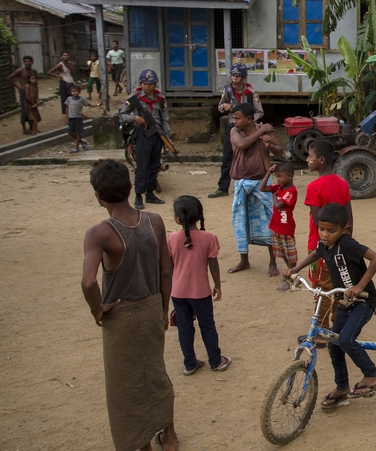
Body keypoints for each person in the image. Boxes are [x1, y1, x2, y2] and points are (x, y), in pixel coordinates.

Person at [80, 159, 177, 451]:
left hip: (120, 315)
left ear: (98, 196)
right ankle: (169, 436)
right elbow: (166, 270)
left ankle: (141, 444)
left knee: (124, 387)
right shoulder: (154, 221)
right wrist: (162, 308)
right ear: (130, 186)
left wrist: (98, 309)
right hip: (150, 307)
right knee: (156, 373)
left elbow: (88, 282)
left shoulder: (100, 233)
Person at [283, 203, 376, 406]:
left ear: (343, 230)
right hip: (345, 302)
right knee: (334, 344)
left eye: (331, 230)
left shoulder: (347, 244)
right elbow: (315, 254)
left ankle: (372, 374)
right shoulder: (324, 244)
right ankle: (342, 386)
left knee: (346, 340)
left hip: (363, 301)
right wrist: (295, 268)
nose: (325, 235)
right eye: (321, 229)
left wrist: (360, 285)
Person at [167, 195, 231, 376]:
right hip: (200, 291)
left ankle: (190, 363)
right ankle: (216, 360)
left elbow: (168, 266)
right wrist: (218, 285)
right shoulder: (209, 238)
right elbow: (214, 264)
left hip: (178, 291)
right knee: (207, 326)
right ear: (199, 215)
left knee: (184, 327)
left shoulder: (171, 238)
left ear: (177, 218)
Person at [304, 139, 354, 339]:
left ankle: (321, 330)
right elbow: (349, 216)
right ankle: (336, 323)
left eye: (310, 156)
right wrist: (346, 239)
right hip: (341, 244)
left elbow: (319, 221)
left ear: (321, 160)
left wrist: (327, 240)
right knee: (338, 285)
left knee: (322, 289)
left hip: (320, 246)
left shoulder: (314, 187)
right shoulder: (342, 183)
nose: (307, 160)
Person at [226, 102, 283, 274]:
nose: (234, 121)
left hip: (262, 183)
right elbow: (242, 144)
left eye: (237, 118)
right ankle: (244, 260)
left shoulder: (266, 130)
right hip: (241, 183)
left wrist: (270, 145)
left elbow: (280, 150)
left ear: (249, 118)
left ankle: (273, 262)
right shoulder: (235, 131)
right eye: (233, 118)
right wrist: (261, 132)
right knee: (240, 222)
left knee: (270, 221)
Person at [209, 63, 264, 198]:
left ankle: (245, 186)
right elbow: (219, 108)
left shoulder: (251, 93)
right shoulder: (227, 91)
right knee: (227, 157)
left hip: (248, 130)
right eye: (233, 75)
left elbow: (259, 112)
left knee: (248, 158)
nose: (234, 78)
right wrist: (225, 106)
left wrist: (249, 121)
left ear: (244, 77)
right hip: (232, 127)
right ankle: (223, 187)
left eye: (237, 76)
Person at [120, 69, 170, 210]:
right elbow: (122, 114)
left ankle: (150, 193)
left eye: (151, 84)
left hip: (157, 135)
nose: (148, 86)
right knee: (142, 166)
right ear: (141, 83)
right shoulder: (134, 98)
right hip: (142, 134)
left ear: (155, 84)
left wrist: (167, 137)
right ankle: (138, 195)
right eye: (145, 84)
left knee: (154, 165)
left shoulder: (160, 98)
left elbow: (165, 119)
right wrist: (135, 118)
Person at [260, 161, 299, 291]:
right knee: (282, 253)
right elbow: (262, 188)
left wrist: (275, 196)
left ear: (290, 176)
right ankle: (291, 272)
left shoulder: (291, 191)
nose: (278, 179)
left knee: (290, 254)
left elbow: (278, 205)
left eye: (280, 176)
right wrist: (268, 173)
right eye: (277, 176)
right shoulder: (279, 187)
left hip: (286, 227)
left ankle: (291, 276)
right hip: (276, 226)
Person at [65, 85, 101, 153]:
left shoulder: (81, 99)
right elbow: (66, 108)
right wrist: (66, 118)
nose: (74, 93)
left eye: (76, 91)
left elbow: (89, 105)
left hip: (78, 118)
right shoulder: (69, 99)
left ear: (79, 92)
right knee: (71, 132)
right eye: (72, 91)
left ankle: (76, 147)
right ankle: (82, 142)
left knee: (78, 133)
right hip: (71, 118)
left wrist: (98, 105)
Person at [8, 55, 37, 134]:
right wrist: (18, 87)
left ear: (32, 62)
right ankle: (24, 128)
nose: (27, 63)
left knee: (32, 109)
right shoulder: (20, 71)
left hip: (31, 92)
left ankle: (32, 127)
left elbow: (35, 82)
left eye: (29, 61)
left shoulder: (33, 71)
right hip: (24, 91)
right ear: (23, 62)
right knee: (24, 110)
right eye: (26, 61)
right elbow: (9, 78)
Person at [47, 51, 75, 125]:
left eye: (67, 55)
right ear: (61, 57)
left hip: (71, 82)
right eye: (64, 55)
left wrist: (71, 67)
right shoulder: (60, 65)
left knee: (73, 98)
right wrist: (59, 76)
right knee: (65, 100)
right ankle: (67, 117)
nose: (66, 56)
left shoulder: (70, 64)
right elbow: (49, 72)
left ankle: (73, 114)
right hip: (64, 83)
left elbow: (72, 74)